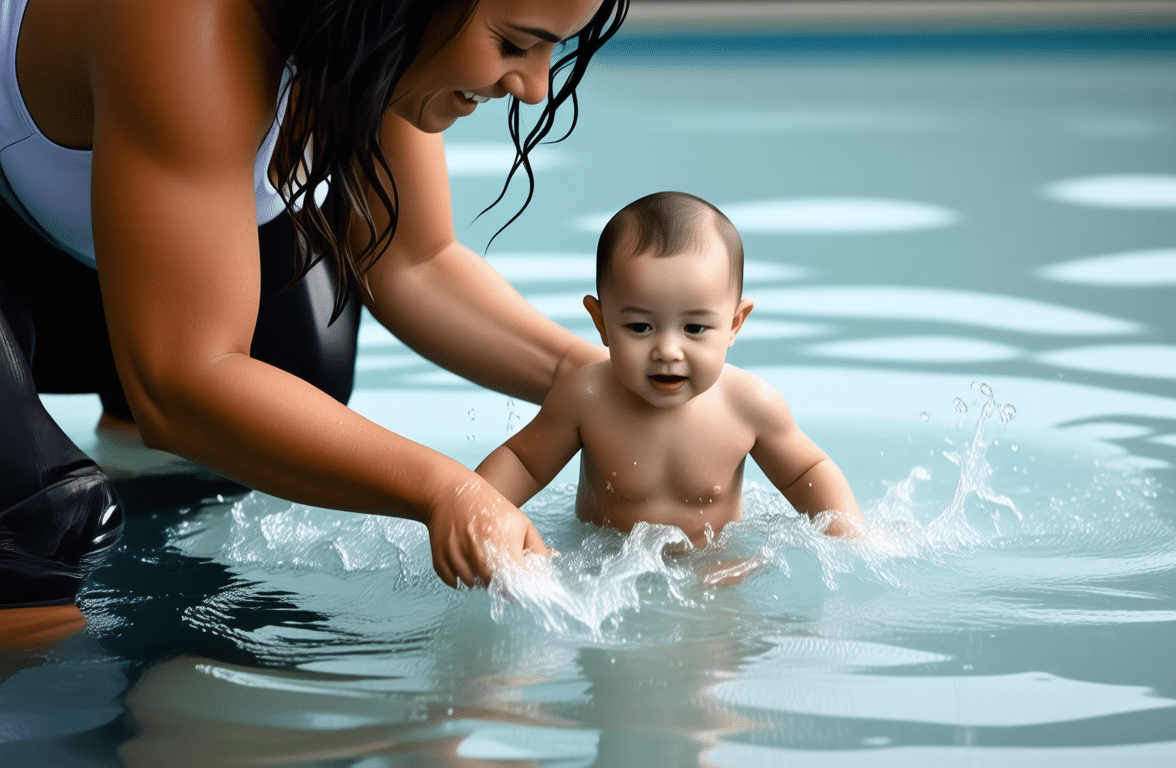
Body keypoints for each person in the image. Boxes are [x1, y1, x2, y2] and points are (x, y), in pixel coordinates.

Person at [0, 0, 629, 633]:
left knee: (294, 364)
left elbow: (416, 262)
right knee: (34, 527)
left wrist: (607, 381)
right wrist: (443, 490)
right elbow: (181, 386)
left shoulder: (369, 33)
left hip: (83, 265)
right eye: (517, 45)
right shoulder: (186, 23)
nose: (534, 86)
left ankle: (138, 484)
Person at [476, 192, 866, 550]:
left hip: (714, 570)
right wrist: (473, 510)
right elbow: (524, 462)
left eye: (695, 328)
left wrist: (847, 537)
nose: (667, 350)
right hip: (604, 568)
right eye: (640, 327)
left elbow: (807, 472)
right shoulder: (586, 399)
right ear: (602, 323)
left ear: (734, 324)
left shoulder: (748, 405)